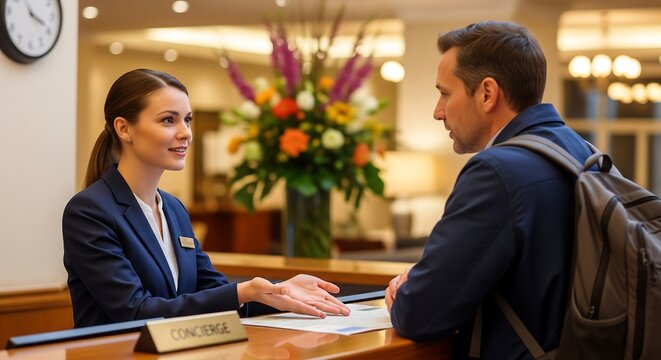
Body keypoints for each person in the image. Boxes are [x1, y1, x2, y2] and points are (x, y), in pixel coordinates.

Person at [63, 69, 350, 328]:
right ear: (124, 128)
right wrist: (244, 291)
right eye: (168, 120)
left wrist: (280, 292)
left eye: (187, 120)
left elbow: (210, 291)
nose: (185, 133)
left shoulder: (173, 208)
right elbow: (135, 311)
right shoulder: (89, 211)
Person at [385, 21, 593, 359]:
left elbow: (421, 314)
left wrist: (406, 291)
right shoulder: (580, 151)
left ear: (486, 93)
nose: (438, 112)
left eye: (445, 93)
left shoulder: (496, 173)